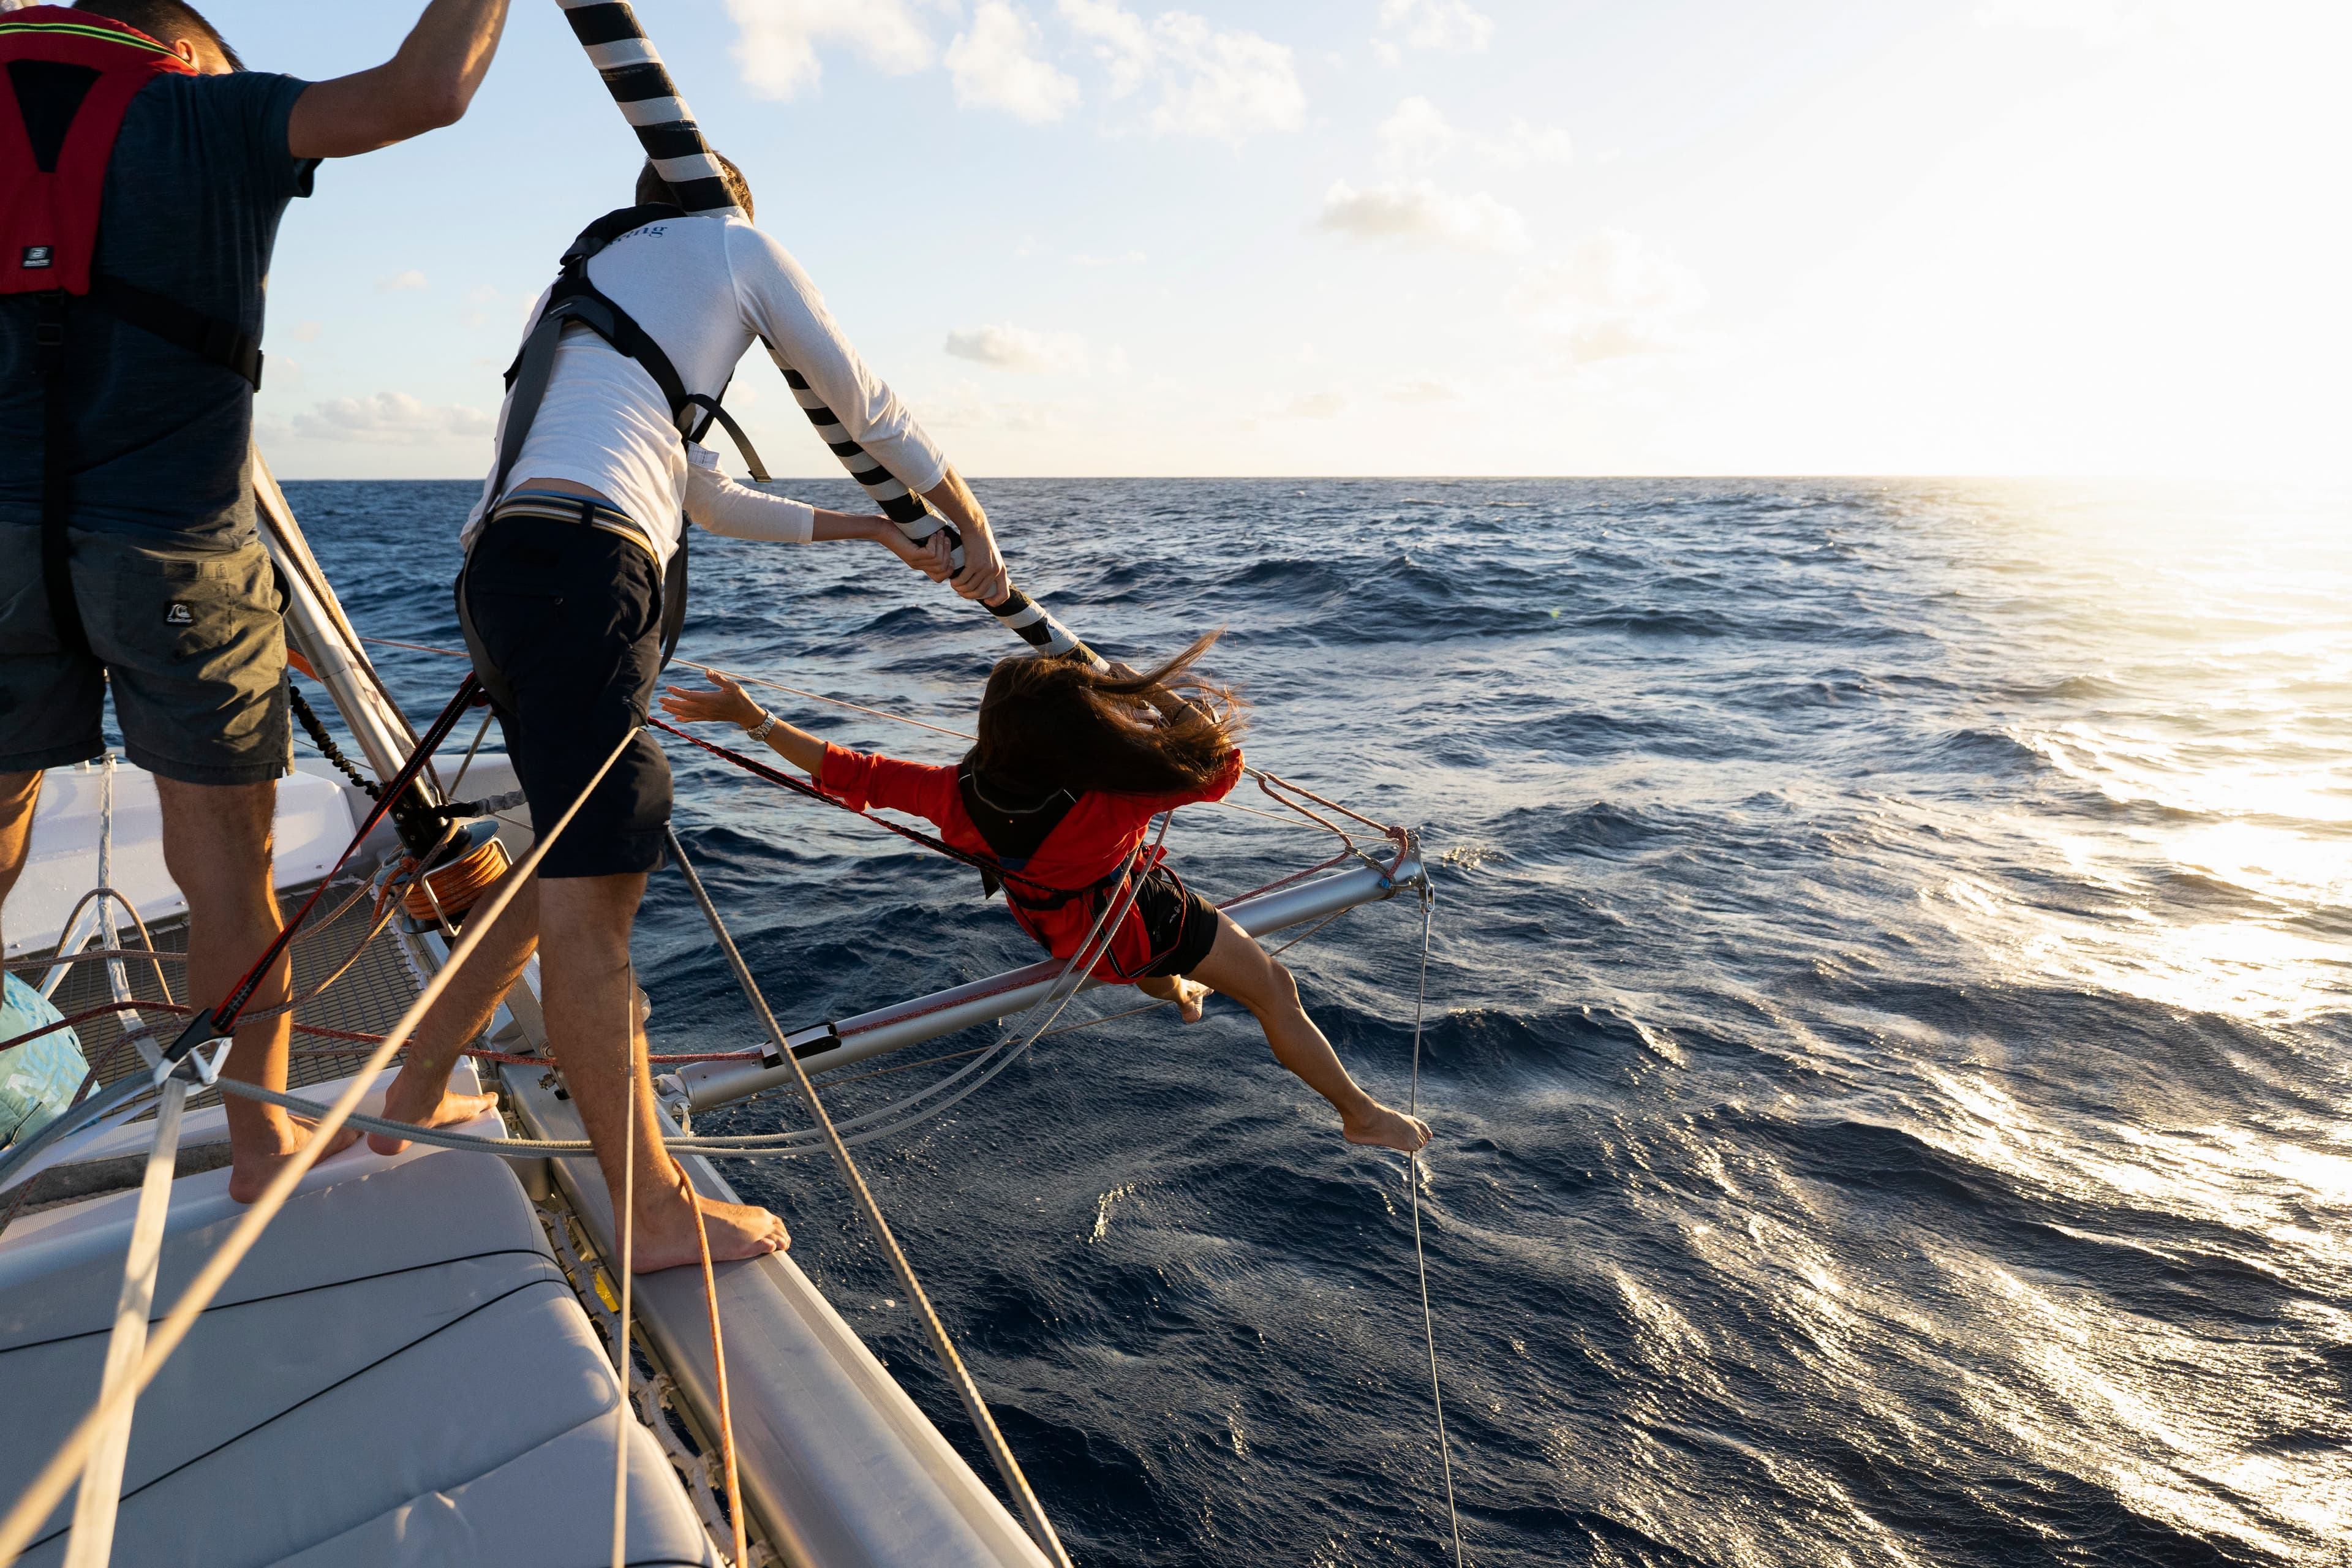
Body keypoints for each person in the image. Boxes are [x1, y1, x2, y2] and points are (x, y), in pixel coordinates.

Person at [371, 154, 1009, 1272]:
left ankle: (422, 1076)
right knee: (598, 893)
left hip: (502, 576)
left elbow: (699, 494)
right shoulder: (733, 245)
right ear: (728, 216)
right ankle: (654, 1213)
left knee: (558, 863)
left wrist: (874, 538)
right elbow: (865, 406)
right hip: (581, 572)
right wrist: (969, 526)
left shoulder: (584, 289)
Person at [0, 0, 514, 1197]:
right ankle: (256, 1144)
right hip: (177, 549)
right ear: (182, 48)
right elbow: (428, 88)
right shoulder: (205, 110)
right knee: (226, 868)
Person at [658, 638, 1434, 1155]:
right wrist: (1175, 713)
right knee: (1275, 989)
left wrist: (752, 717)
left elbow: (842, 769)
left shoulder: (949, 793)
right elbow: (1222, 768)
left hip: (1061, 934)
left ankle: (1178, 992)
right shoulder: (1113, 794)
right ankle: (1360, 1116)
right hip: (1141, 921)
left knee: (1145, 968)